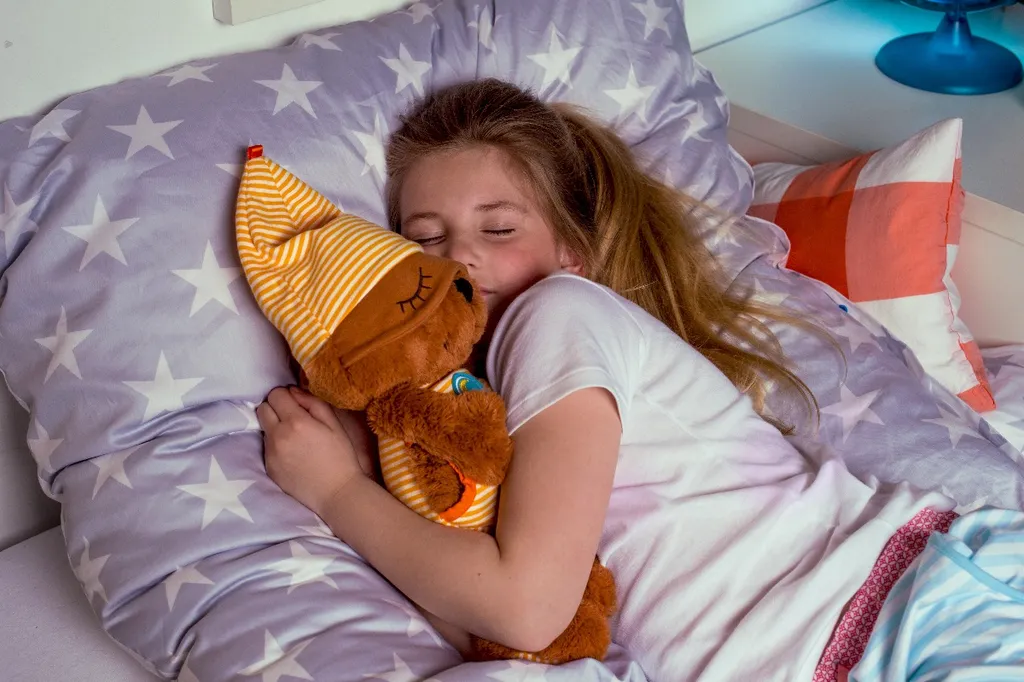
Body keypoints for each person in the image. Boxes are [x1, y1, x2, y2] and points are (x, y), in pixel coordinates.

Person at [254, 79, 1021, 680]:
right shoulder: (465, 425)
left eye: (499, 228)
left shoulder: (555, 315)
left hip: (900, 610)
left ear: (571, 255)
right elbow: (507, 627)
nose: (460, 258)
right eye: (425, 240)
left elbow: (524, 607)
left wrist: (337, 494)